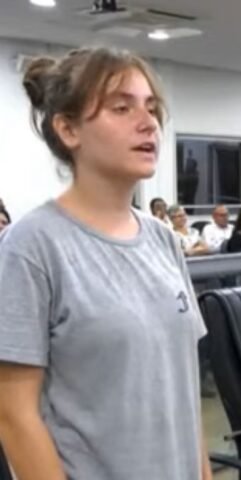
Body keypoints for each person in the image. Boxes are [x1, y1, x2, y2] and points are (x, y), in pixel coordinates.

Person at [0, 47, 210, 479]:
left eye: (151, 107)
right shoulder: (33, 246)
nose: (148, 122)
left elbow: (184, 397)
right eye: (121, 107)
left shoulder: (163, 240)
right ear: (68, 129)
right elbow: (14, 416)